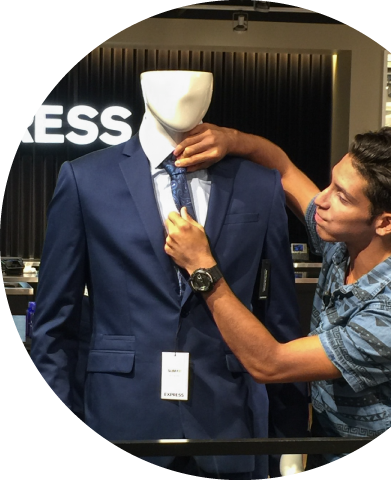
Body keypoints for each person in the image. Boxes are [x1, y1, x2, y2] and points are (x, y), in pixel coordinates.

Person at [30, 72, 309, 479]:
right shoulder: (86, 179)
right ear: (143, 90)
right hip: (121, 415)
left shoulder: (258, 187)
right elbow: (54, 323)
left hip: (229, 420)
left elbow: (280, 319)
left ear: (211, 95)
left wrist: (288, 441)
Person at [164, 123, 391, 467]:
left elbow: (270, 363)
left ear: (384, 223)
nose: (321, 201)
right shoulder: (346, 241)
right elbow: (281, 167)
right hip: (326, 441)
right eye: (331, 183)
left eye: (342, 196)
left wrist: (202, 267)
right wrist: (230, 140)